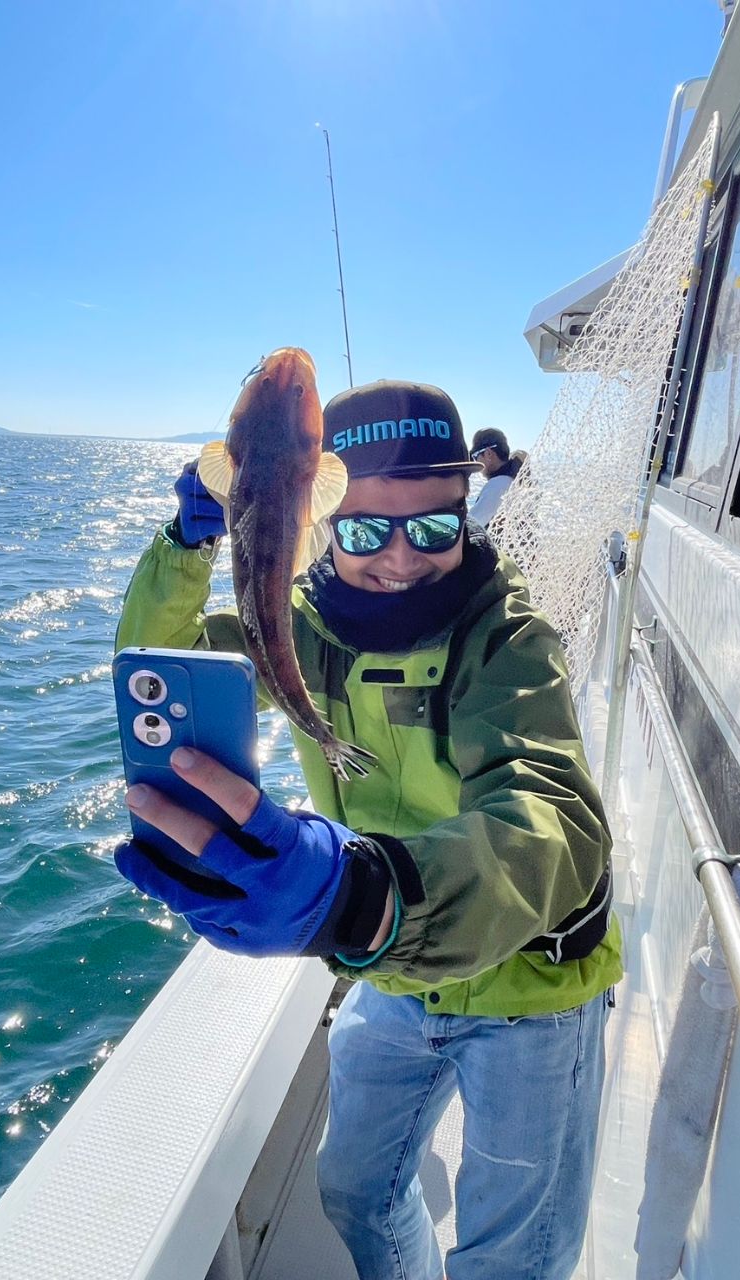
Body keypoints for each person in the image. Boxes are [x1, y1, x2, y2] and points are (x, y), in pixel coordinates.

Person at [114, 378, 622, 1280]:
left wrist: (365, 898)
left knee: (512, 1258)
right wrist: (185, 548)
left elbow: (551, 818)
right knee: (357, 1194)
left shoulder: (510, 641)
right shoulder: (299, 631)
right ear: (320, 514)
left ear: (468, 515)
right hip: (390, 975)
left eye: (432, 528)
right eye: (362, 530)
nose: (398, 557)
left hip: (527, 989)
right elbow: (159, 671)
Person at [468, 427, 524, 528]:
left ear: (488, 453)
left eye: (475, 456)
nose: (476, 462)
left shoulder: (498, 485)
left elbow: (470, 527)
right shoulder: (515, 480)